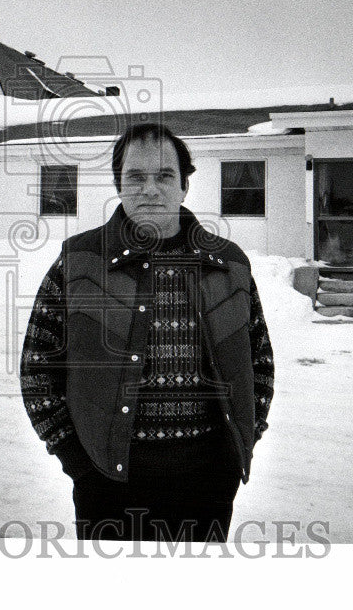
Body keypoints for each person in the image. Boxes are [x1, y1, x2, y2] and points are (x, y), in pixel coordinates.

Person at [19, 123, 274, 542]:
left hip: (207, 486)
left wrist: (237, 448)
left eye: (164, 176)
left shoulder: (229, 264)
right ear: (118, 183)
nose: (150, 189)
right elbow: (36, 370)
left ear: (185, 186)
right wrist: (80, 463)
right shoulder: (80, 262)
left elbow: (259, 362)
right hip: (108, 487)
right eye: (136, 176)